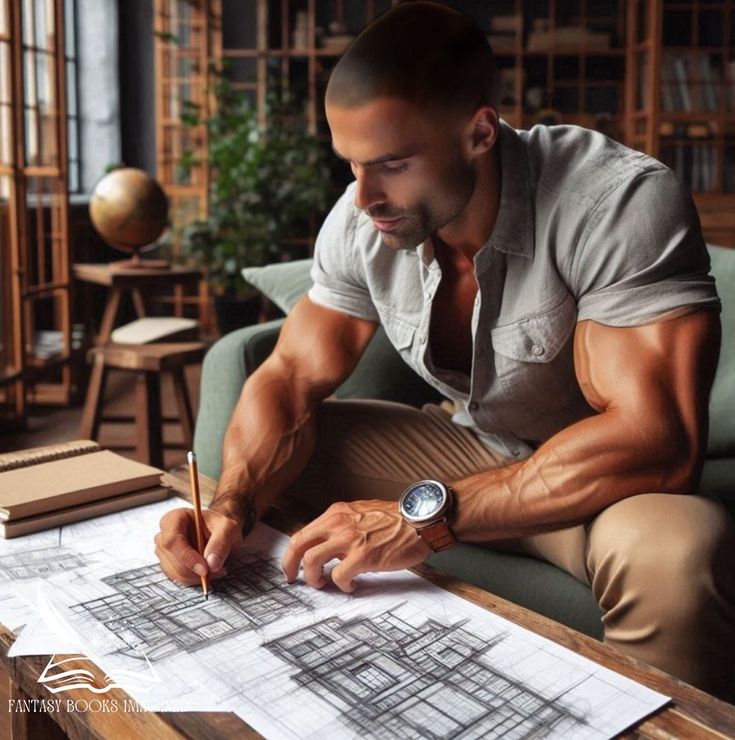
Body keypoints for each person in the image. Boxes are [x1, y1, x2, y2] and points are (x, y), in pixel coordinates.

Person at [155, 2, 735, 700]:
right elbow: (290, 375)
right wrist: (231, 505)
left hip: (599, 486)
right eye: (352, 164)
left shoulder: (617, 201)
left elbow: (655, 441)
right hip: (473, 446)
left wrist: (420, 518)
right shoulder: (364, 215)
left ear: (479, 133)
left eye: (392, 164)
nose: (363, 196)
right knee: (277, 449)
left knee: (672, 553)